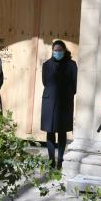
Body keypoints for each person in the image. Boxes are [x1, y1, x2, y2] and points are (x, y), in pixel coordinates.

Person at [40, 39, 77, 169]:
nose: (57, 52)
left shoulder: (71, 64)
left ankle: (60, 160)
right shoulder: (47, 65)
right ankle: (51, 160)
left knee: (62, 132)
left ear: (64, 50)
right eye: (55, 50)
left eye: (60, 50)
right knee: (50, 131)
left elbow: (74, 84)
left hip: (64, 102)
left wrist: (66, 94)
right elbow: (45, 81)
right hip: (49, 101)